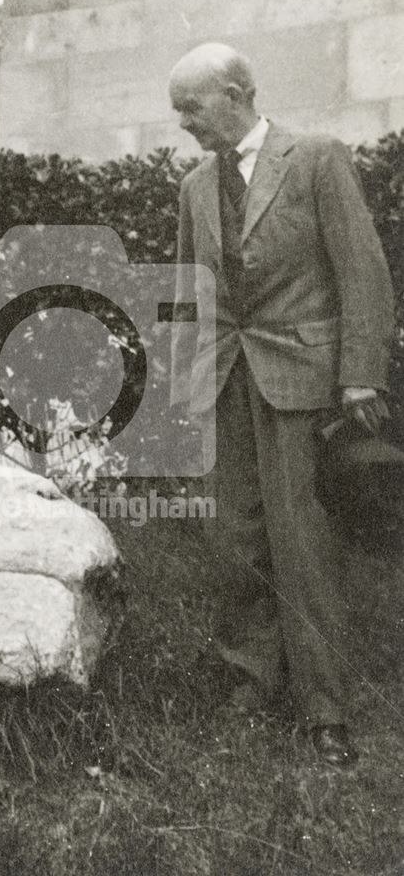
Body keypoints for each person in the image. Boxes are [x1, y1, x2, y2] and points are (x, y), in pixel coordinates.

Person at [168, 42, 394, 767]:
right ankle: (250, 682)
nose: (183, 124)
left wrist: (362, 373)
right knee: (235, 537)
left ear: (236, 93)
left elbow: (362, 269)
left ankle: (325, 708)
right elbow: (186, 294)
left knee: (302, 543)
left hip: (304, 380)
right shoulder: (194, 187)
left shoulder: (319, 158)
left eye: (191, 108)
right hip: (226, 380)